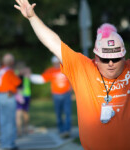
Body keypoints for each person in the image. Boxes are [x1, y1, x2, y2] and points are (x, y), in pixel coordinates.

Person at [14, 1, 130, 149]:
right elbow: (54, 43)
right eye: (105, 59)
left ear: (124, 57)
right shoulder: (83, 68)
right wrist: (32, 18)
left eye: (116, 58)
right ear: (96, 57)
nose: (111, 63)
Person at [30, 56, 72, 138]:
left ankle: (67, 131)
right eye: (55, 63)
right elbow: (41, 79)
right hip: (56, 95)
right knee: (59, 114)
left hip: (66, 94)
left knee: (67, 113)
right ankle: (61, 131)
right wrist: (30, 76)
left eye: (57, 62)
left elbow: (72, 78)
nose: (56, 64)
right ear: (53, 63)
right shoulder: (50, 71)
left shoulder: (66, 69)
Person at [0, 53, 21, 150]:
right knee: (10, 121)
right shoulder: (9, 71)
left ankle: (4, 143)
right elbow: (18, 82)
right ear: (11, 62)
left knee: (3, 121)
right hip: (8, 96)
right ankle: (10, 144)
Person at [16, 67, 32, 137]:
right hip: (26, 95)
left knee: (18, 113)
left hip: (19, 95)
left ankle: (19, 131)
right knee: (25, 112)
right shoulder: (27, 75)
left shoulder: (17, 76)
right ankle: (25, 128)